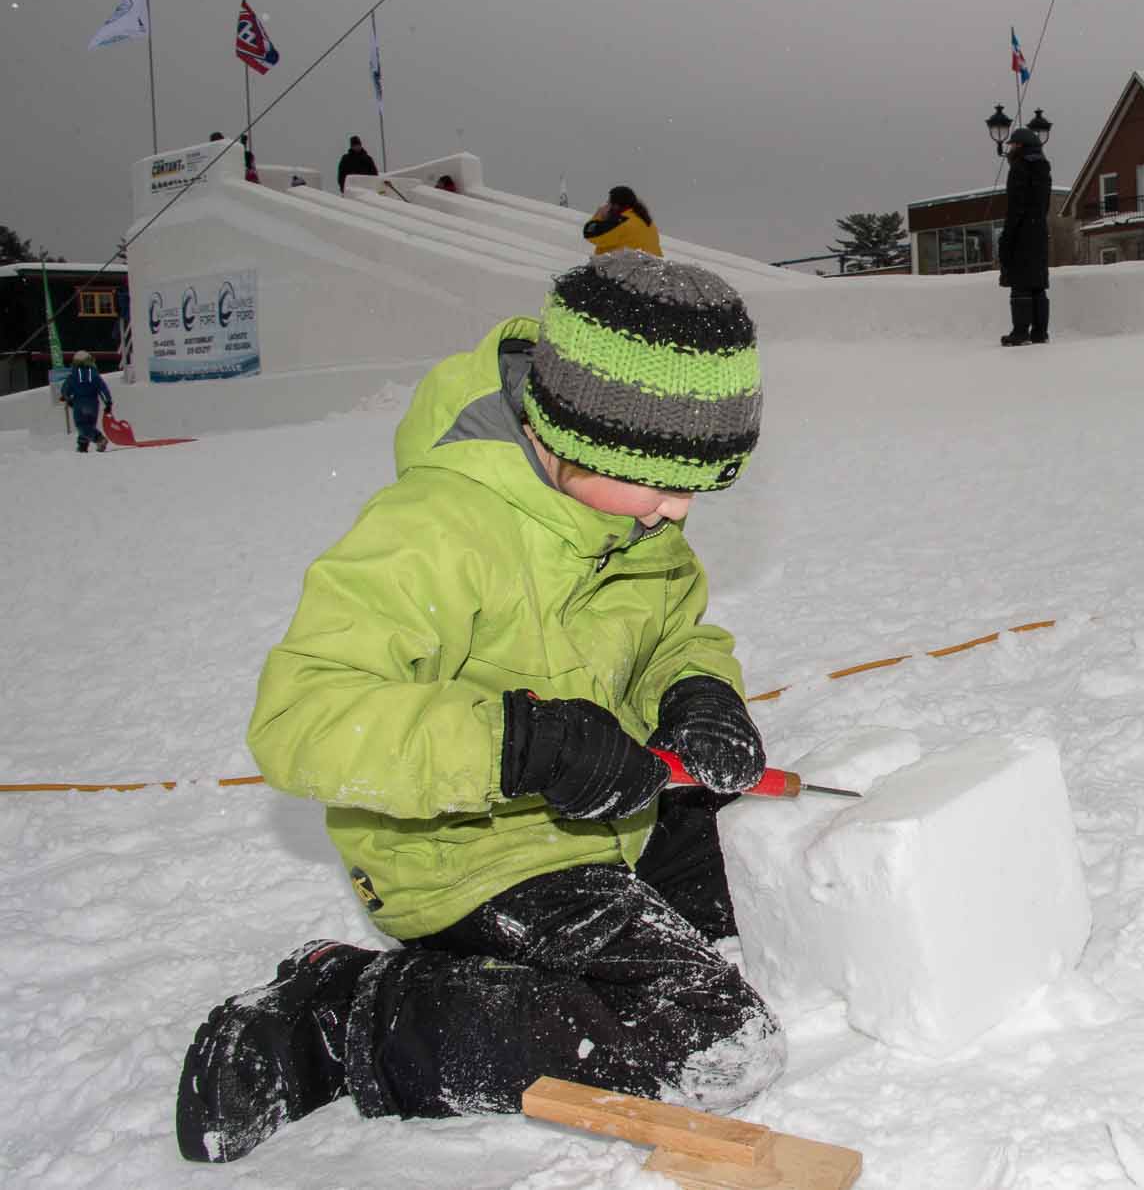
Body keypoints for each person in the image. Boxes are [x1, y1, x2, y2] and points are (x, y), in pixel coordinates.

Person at [175, 251, 784, 1163]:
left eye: (697, 485)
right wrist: (517, 743)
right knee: (706, 1034)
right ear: (574, 433)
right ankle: (347, 1017)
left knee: (769, 875)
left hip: (609, 815)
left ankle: (533, 955)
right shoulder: (438, 529)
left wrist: (698, 691)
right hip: (465, 847)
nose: (678, 512)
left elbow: (675, 630)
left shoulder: (631, 513)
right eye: (662, 482)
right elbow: (301, 717)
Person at [996, 127, 1054, 346]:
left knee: (1020, 283)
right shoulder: (1044, 169)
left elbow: (1015, 207)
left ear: (1020, 146)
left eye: (1012, 145)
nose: (1009, 148)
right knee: (1037, 284)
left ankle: (1020, 333)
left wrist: (1007, 236)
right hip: (1039, 230)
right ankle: (1040, 332)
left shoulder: (1019, 168)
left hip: (1022, 232)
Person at [584, 185, 664, 256]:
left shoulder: (622, 222)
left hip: (624, 269)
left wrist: (598, 216)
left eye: (609, 203)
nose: (607, 206)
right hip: (649, 268)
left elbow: (591, 234)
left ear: (616, 205)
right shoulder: (647, 221)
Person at [58, 351, 113, 453]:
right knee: (89, 425)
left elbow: (65, 389)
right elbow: (103, 389)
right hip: (93, 404)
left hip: (79, 403)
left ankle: (99, 439)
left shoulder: (73, 375)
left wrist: (67, 398)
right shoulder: (95, 375)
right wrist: (108, 402)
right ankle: (82, 446)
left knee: (82, 425)